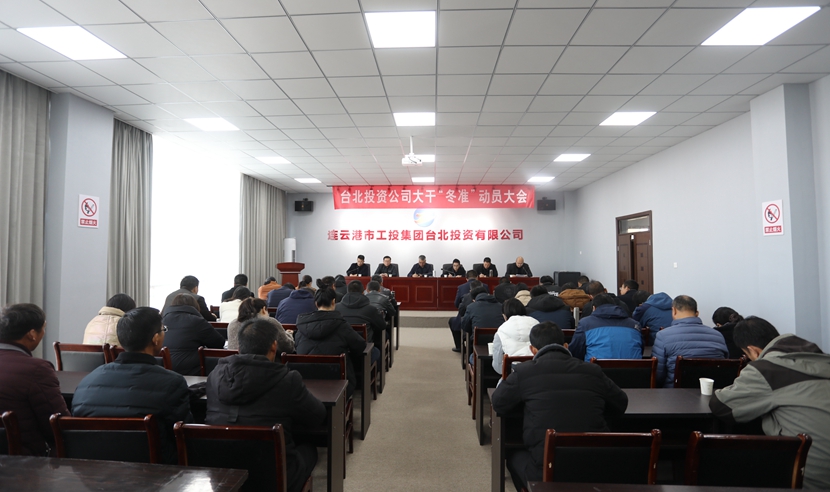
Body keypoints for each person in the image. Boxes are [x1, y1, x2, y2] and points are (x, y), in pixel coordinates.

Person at [492, 321, 628, 491]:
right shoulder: (592, 371)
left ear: (533, 350)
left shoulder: (524, 372)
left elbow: (498, 402)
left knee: (513, 456)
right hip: (595, 465)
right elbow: (621, 403)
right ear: (565, 346)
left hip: (547, 470)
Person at [709, 317, 830, 490]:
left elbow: (722, 406)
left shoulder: (766, 370)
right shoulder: (820, 359)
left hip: (810, 478)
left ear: (753, 351)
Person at [206, 318, 325, 492]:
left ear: (239, 347)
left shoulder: (214, 375)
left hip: (222, 475)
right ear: (274, 346)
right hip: (273, 477)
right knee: (309, 448)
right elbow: (318, 416)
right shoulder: (287, 380)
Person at [72, 307, 193, 464]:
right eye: (163, 330)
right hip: (154, 473)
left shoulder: (87, 382)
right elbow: (184, 436)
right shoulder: (172, 383)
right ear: (156, 338)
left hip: (93, 472)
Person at [0, 303, 69, 456]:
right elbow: (57, 425)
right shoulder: (37, 369)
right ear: (32, 334)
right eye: (43, 328)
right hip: (24, 463)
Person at [295, 289, 370, 397]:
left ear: (316, 303)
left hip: (305, 384)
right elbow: (360, 346)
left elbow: (297, 347)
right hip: (337, 381)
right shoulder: (341, 325)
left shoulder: (302, 326)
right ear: (334, 302)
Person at [653, 295, 728, 387]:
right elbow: (724, 368)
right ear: (697, 313)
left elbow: (658, 375)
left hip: (674, 392)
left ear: (674, 311)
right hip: (711, 391)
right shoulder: (718, 335)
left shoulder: (663, 336)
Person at [162, 294, 226, 376]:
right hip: (191, 370)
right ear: (195, 306)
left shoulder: (161, 321)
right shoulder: (197, 321)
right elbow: (219, 343)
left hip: (163, 368)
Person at [568, 293, 643, 361]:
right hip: (633, 370)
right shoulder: (634, 325)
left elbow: (575, 351)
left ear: (594, 308)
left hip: (596, 370)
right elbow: (640, 349)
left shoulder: (585, 324)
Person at [336, 280, 385, 358]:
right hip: (364, 351)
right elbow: (382, 326)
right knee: (377, 352)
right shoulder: (371, 309)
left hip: (342, 351)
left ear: (347, 291)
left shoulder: (336, 308)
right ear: (363, 292)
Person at [228, 297, 294, 353]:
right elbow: (288, 347)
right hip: (264, 363)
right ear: (264, 309)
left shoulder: (232, 324)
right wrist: (289, 334)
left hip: (234, 362)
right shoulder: (269, 322)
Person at [491, 299, 538, 374]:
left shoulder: (502, 330)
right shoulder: (536, 323)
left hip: (515, 372)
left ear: (504, 315)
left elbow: (498, 366)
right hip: (538, 370)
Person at [449, 280, 484, 352]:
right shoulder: (493, 300)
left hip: (472, 328)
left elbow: (460, 310)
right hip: (490, 330)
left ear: (470, 290)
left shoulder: (467, 297)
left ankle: (460, 347)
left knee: (460, 323)